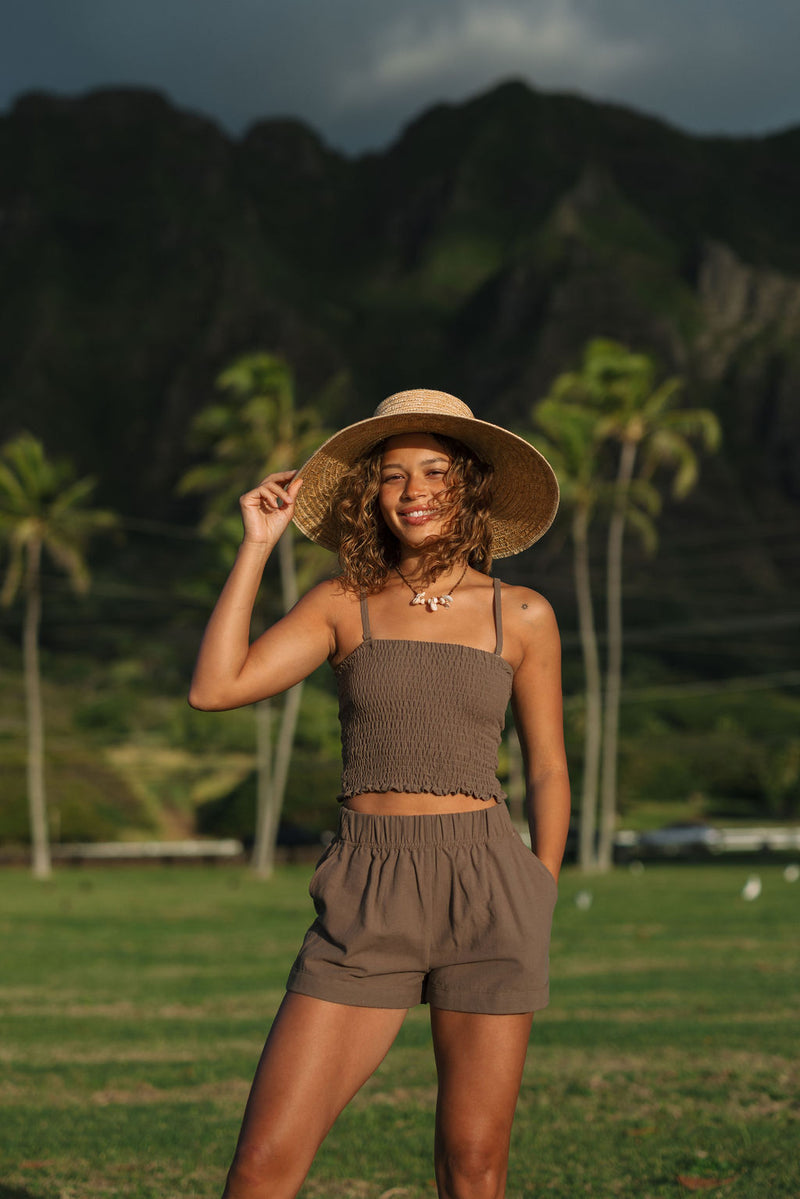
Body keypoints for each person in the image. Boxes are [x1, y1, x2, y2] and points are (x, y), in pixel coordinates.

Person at [189, 388, 571, 1199]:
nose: (414, 491)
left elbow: (547, 767)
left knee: (473, 1167)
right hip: (367, 890)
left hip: (489, 888)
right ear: (371, 494)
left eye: (434, 470)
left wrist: (541, 882)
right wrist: (257, 544)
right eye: (393, 475)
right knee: (262, 1168)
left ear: (469, 484)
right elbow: (216, 687)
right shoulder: (341, 604)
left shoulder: (524, 614)